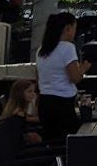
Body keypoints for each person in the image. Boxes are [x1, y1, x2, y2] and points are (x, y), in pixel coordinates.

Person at [35, 12, 88, 142]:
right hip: (62, 104)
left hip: (45, 103)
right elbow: (74, 78)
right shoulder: (68, 48)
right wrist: (83, 69)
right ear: (68, 28)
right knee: (74, 140)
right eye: (74, 29)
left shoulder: (42, 50)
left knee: (52, 140)